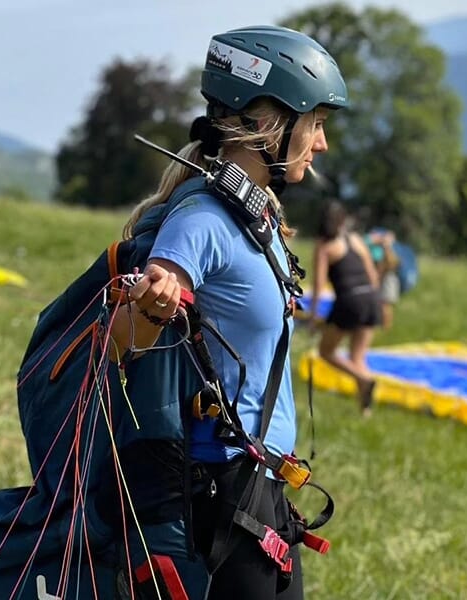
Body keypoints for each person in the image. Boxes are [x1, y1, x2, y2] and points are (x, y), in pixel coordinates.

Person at [109, 25, 349, 600]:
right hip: (217, 492)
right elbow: (123, 337)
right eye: (315, 122)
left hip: (258, 485)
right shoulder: (203, 220)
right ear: (270, 122)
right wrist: (153, 302)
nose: (320, 143)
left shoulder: (256, 220)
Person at [309, 201, 382, 417]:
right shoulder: (357, 240)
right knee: (357, 357)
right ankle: (365, 410)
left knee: (326, 352)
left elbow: (319, 284)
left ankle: (364, 379)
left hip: (349, 300)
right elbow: (373, 276)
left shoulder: (324, 247)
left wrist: (313, 318)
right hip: (370, 298)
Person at [365, 228, 400, 329]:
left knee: (386, 305)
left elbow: (391, 264)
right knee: (382, 304)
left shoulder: (391, 249)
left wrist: (386, 246)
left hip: (388, 280)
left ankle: (386, 327)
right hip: (385, 278)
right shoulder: (385, 249)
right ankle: (382, 325)